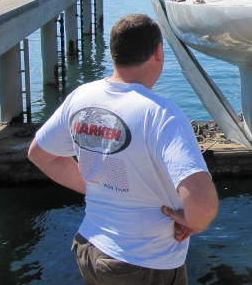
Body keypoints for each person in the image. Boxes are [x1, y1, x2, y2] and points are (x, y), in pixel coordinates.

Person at [28, 14, 218, 285]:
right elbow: (202, 205)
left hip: (89, 248)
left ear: (113, 53)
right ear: (159, 53)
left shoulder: (81, 98)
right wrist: (192, 220)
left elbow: (39, 154)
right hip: (144, 263)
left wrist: (96, 187)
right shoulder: (163, 116)